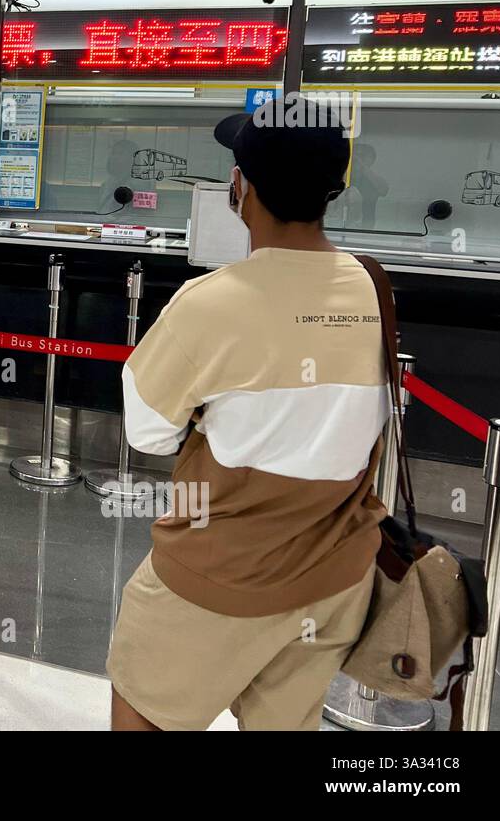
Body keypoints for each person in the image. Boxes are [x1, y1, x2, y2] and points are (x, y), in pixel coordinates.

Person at [106, 110, 389, 732]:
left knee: (145, 717)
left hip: (214, 580)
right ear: (333, 190)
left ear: (241, 189)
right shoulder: (372, 289)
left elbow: (147, 431)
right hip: (333, 580)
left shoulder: (209, 302)